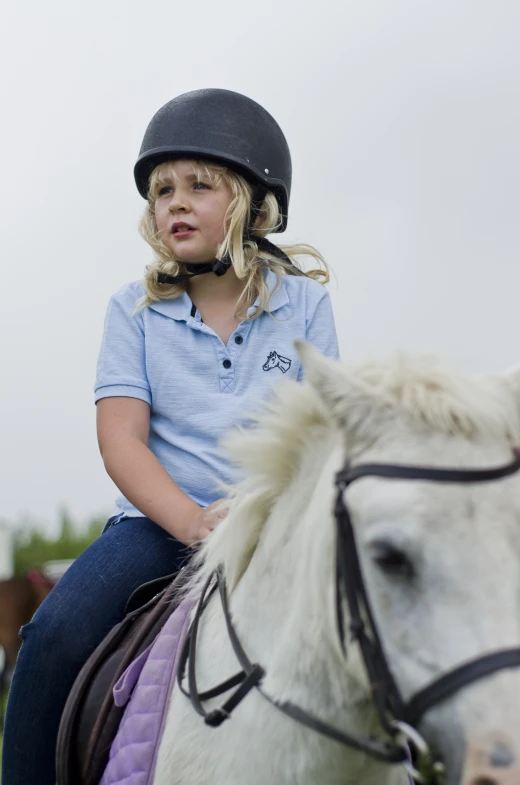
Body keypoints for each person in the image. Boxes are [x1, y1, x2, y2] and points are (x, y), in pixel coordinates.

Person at [2, 88, 339, 785]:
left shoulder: (305, 304)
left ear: (253, 201)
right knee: (54, 637)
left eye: (198, 185)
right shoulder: (133, 311)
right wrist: (191, 520)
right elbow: (121, 439)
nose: (175, 202)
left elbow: (324, 431)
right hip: (160, 523)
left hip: (277, 526)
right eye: (162, 190)